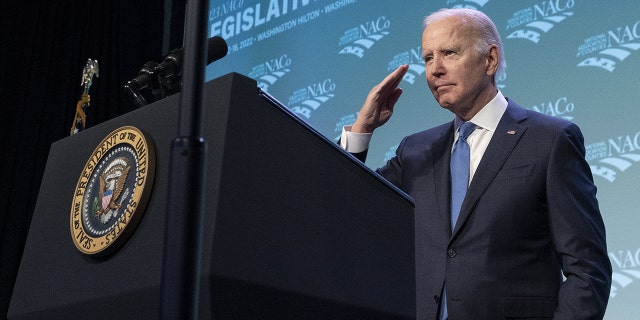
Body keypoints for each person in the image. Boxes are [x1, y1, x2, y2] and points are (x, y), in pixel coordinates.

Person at [340, 8, 612, 320]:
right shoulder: (415, 151)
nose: (435, 70)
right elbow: (351, 211)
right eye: (428, 58)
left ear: (490, 60)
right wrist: (361, 130)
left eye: (449, 53)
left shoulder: (550, 140)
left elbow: (587, 269)